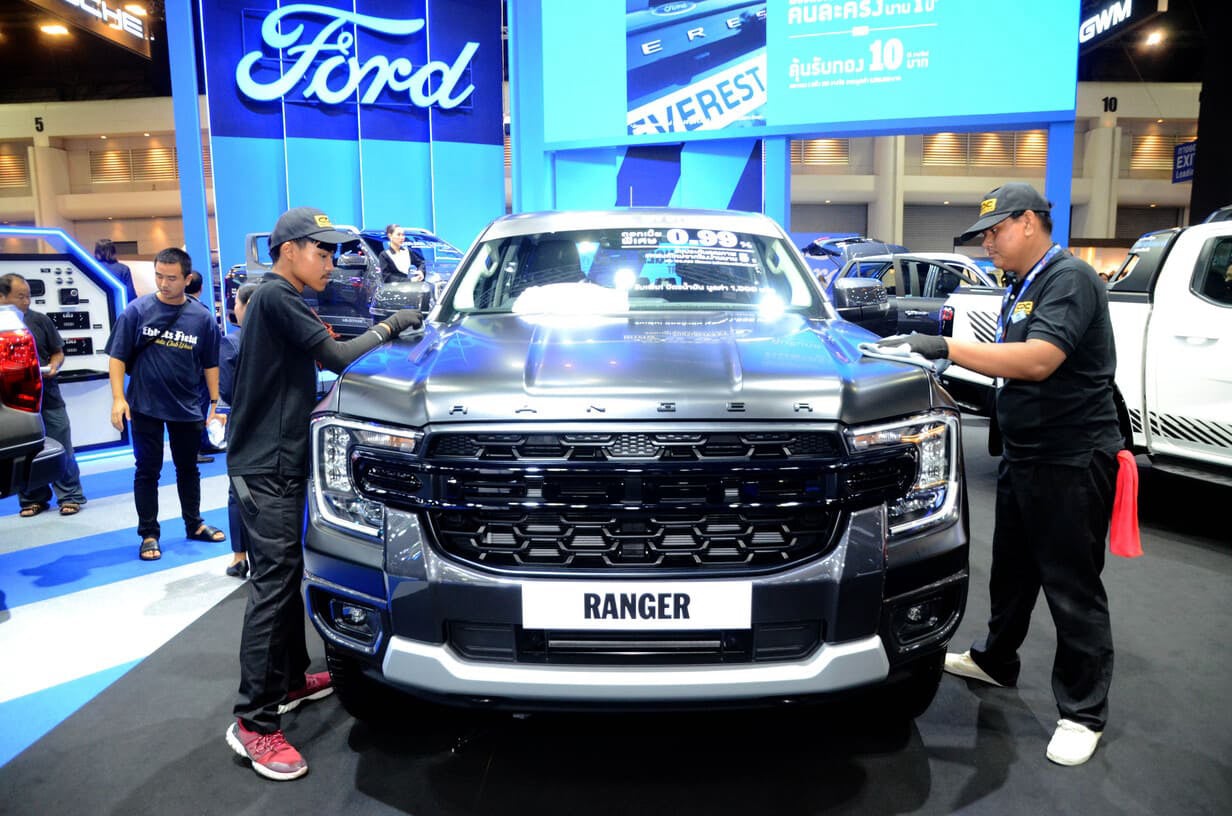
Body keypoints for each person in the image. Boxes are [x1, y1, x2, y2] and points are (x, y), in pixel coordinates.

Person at [877, 182, 1122, 767]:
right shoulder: (1024, 283)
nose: (987, 243)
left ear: (1030, 223)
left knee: (1071, 585)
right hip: (1027, 454)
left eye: (995, 231)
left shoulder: (1069, 279)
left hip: (1069, 458)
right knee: (1012, 571)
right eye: (984, 235)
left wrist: (945, 346)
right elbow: (1010, 370)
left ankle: (1082, 712)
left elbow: (1038, 361)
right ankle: (996, 660)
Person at [225, 207, 423, 781]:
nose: (331, 263)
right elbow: (335, 357)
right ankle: (253, 723)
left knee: (285, 574)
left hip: (279, 461)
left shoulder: (283, 299)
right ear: (288, 250)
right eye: (322, 250)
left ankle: (289, 682)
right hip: (265, 467)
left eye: (334, 252)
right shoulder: (276, 297)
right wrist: (394, 325)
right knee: (272, 587)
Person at [108, 247, 225, 562]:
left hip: (186, 404)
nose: (163, 283)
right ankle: (149, 533)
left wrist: (216, 403)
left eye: (171, 278)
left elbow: (210, 363)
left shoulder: (202, 318)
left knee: (188, 468)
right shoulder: (136, 311)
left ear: (187, 279)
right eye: (159, 276)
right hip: (145, 404)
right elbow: (117, 356)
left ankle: (194, 524)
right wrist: (118, 398)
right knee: (147, 470)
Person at [0, 273, 88, 517]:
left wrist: (54, 366)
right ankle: (32, 499)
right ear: (2, 297)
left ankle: (70, 496)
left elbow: (58, 352)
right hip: (14, 405)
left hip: (48, 397)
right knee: (24, 452)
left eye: (28, 296)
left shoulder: (39, 320)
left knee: (62, 448)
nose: (26, 301)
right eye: (20, 297)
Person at [220, 282, 258, 579]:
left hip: (244, 427)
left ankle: (239, 557)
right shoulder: (288, 339)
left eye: (236, 303)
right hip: (284, 427)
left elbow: (227, 392)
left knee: (239, 491)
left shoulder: (232, 343)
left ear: (245, 306)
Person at [94, 238, 137, 306]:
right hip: (119, 308)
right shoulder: (123, 269)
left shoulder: (92, 268)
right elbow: (131, 296)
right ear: (113, 252)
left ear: (97, 253)